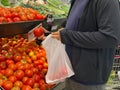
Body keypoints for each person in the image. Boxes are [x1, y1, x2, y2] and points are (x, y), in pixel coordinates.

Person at [51, 0, 120, 90]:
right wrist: (55, 33)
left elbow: (110, 38)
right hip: (70, 71)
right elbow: (80, 26)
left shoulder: (107, 2)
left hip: (89, 77)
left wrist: (68, 36)